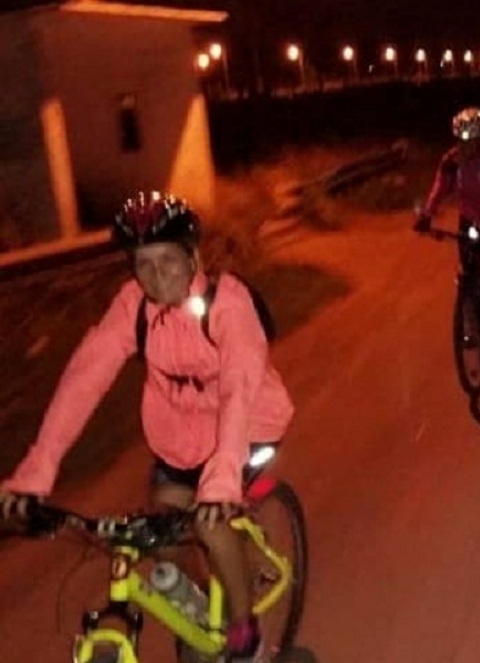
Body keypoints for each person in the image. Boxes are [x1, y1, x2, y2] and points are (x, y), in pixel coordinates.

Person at [0, 191, 294, 663]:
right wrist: (38, 470)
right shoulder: (133, 306)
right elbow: (85, 378)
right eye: (143, 264)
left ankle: (245, 631)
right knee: (158, 530)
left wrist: (220, 482)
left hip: (249, 426)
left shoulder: (229, 303)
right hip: (179, 440)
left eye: (168, 261)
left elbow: (239, 386)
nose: (156, 277)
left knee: (212, 525)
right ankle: (203, 601)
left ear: (194, 257)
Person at [415, 107, 480, 300]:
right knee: (467, 267)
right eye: (462, 140)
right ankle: (470, 311)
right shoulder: (451, 161)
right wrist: (426, 214)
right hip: (469, 217)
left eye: (471, 140)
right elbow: (440, 187)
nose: (465, 145)